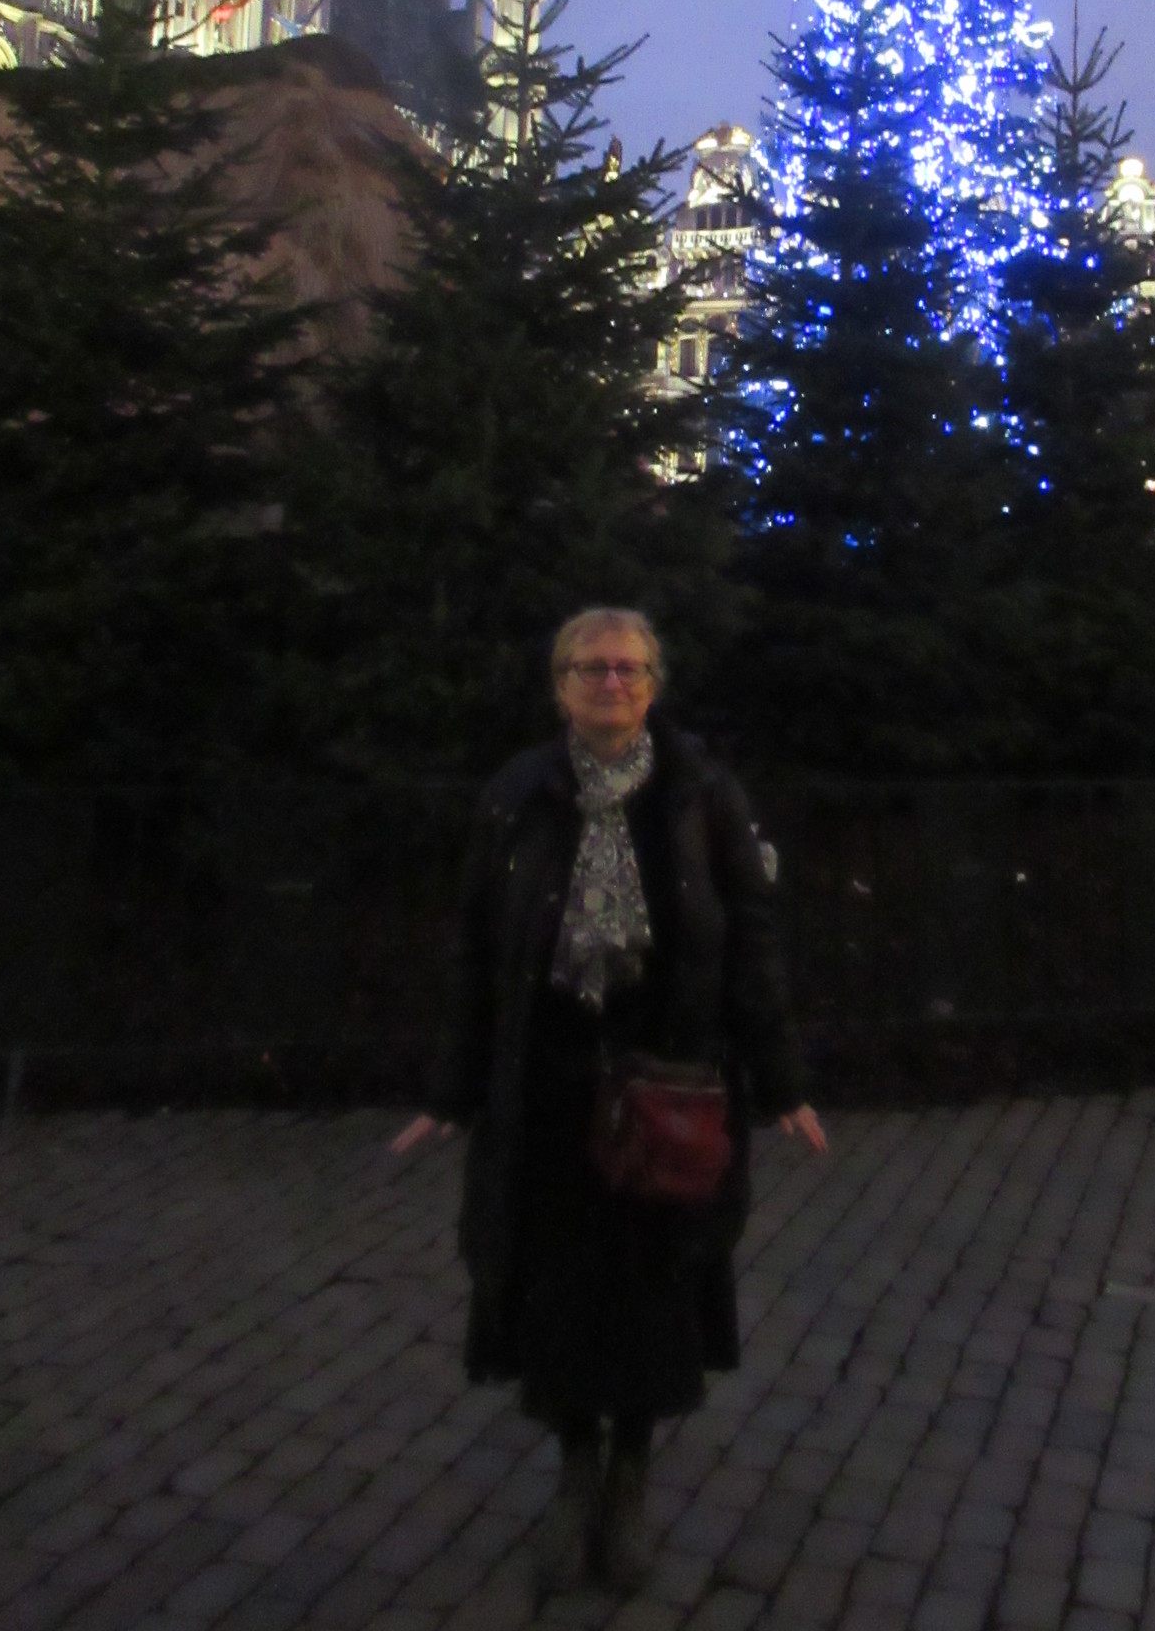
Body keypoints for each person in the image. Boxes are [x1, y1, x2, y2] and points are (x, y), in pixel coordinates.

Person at [415, 607, 825, 1596]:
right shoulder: (520, 796)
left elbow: (749, 941)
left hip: (666, 1080)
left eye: (629, 669)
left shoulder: (699, 795)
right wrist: (453, 1088)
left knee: (652, 1286)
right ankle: (574, 1471)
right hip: (550, 1084)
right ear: (560, 684)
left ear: (654, 684)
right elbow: (478, 948)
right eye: (592, 668)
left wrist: (779, 1080)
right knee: (557, 1284)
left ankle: (629, 1475)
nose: (612, 684)